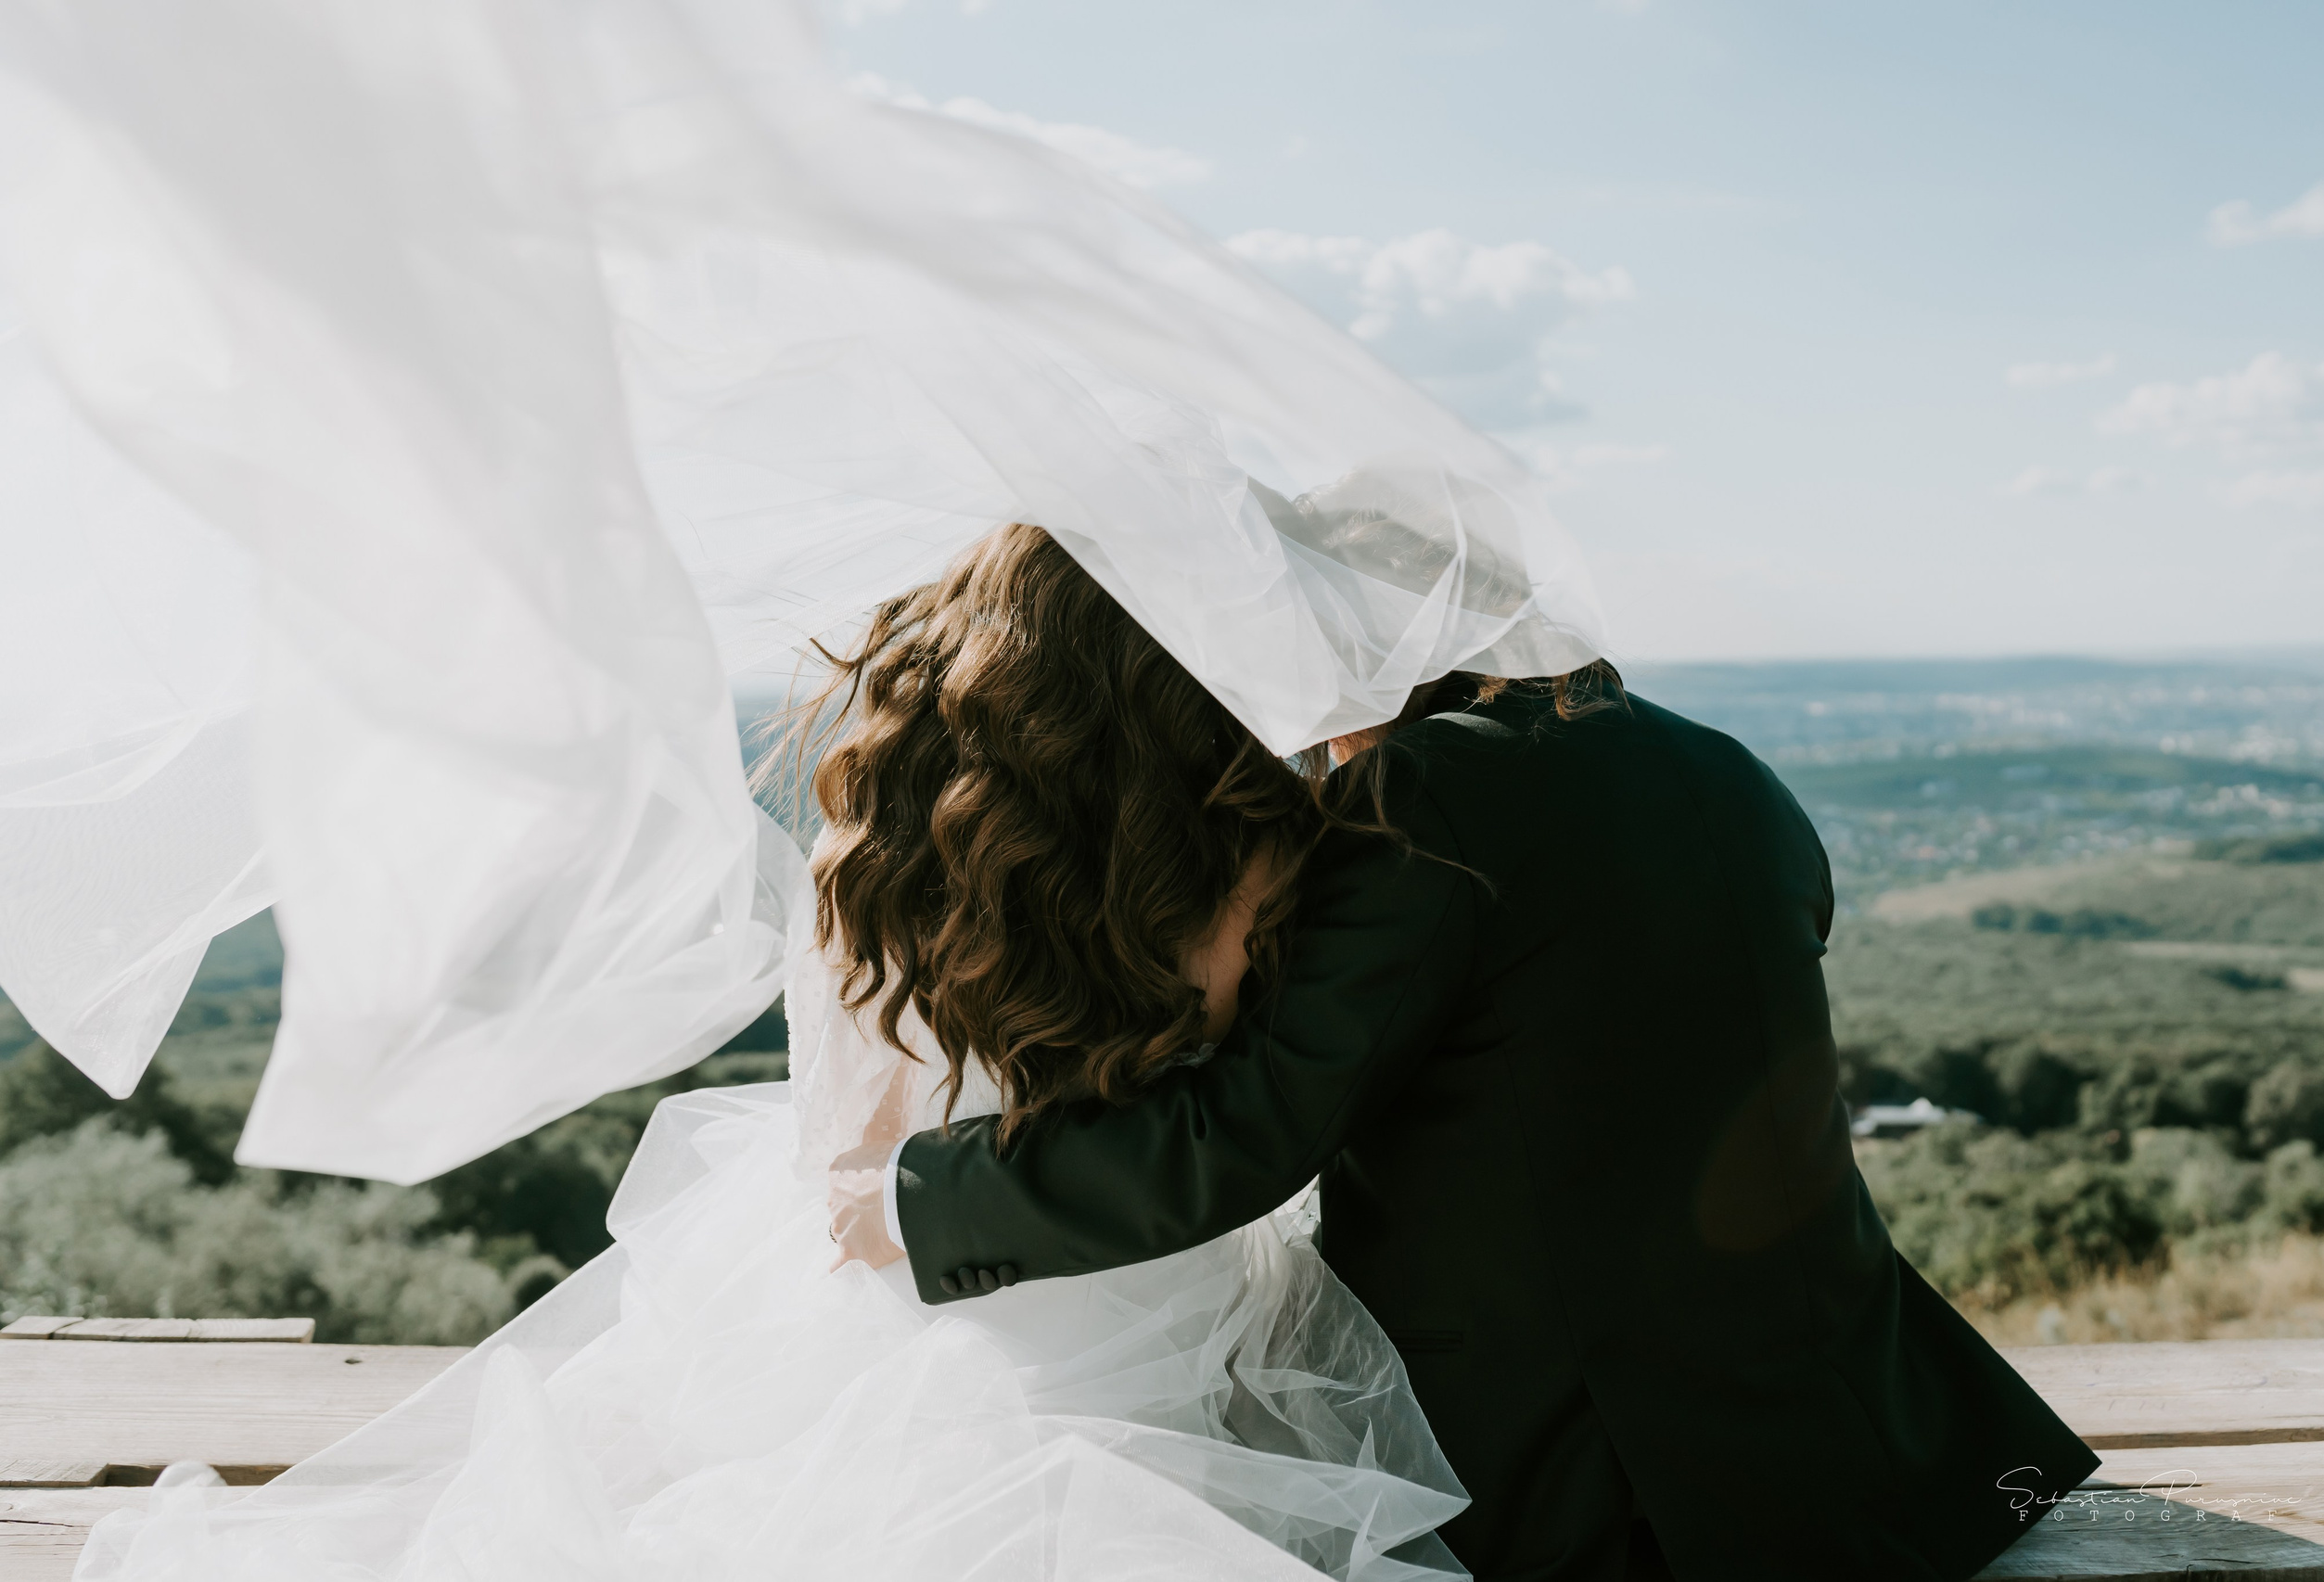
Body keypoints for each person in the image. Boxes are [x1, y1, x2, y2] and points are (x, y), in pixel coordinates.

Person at [70, 522, 1470, 1582]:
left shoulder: (868, 869)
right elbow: (1255, 1105)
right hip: (1163, 1349)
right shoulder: (1241, 865)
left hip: (911, 1307)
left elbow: (848, 1181)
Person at [832, 662, 2103, 1580]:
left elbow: (1251, 1126)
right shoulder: (1720, 762)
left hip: (1594, 1463)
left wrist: (923, 1198)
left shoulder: (1428, 798)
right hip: (1854, 1424)